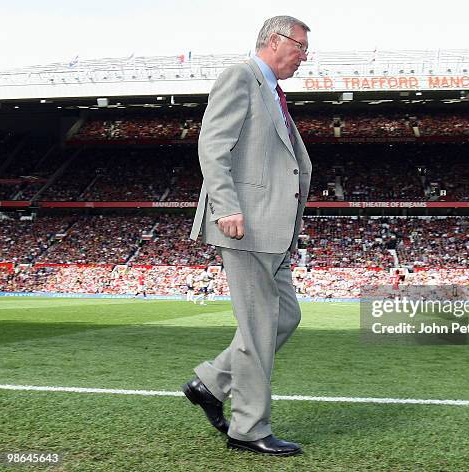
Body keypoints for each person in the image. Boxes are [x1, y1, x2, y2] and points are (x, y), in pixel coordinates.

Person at [183, 15, 312, 456]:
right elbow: (212, 144)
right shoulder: (240, 76)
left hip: (272, 227)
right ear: (275, 41)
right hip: (246, 223)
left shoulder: (273, 92)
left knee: (284, 316)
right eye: (300, 47)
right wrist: (228, 206)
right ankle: (248, 428)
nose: (303, 56)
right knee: (258, 328)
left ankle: (210, 382)